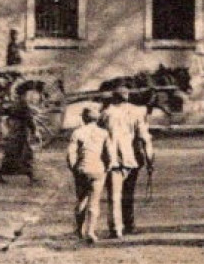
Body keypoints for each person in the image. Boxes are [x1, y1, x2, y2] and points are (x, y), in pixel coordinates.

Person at [101, 85, 154, 238]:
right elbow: (145, 138)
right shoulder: (137, 112)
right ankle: (129, 225)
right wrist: (150, 160)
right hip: (132, 159)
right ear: (128, 97)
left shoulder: (105, 114)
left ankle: (115, 228)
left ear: (114, 97)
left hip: (112, 160)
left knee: (114, 195)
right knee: (128, 194)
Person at [64, 106, 111, 243]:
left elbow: (70, 154)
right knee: (94, 202)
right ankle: (91, 231)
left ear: (84, 118)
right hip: (98, 169)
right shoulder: (104, 133)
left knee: (81, 200)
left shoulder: (77, 133)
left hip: (82, 169)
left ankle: (79, 230)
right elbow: (109, 154)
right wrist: (106, 168)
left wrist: (74, 168)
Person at [0, 84, 47, 184]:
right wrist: (35, 131)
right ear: (23, 94)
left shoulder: (17, 103)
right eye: (26, 94)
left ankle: (30, 177)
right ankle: (30, 177)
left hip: (17, 132)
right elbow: (29, 119)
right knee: (24, 154)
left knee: (16, 155)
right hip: (20, 132)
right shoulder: (22, 104)